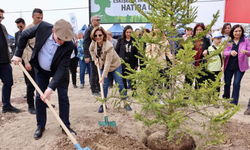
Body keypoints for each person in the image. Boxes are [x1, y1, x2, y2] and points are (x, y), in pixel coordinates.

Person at [12, 19, 77, 140]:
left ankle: (65, 126)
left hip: (59, 71)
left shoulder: (69, 45)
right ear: (53, 31)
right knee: (39, 97)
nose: (62, 42)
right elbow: (24, 35)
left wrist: (50, 88)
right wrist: (17, 53)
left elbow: (62, 68)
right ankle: (40, 126)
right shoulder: (42, 27)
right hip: (41, 69)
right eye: (59, 39)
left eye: (65, 40)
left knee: (63, 97)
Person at [89, 26, 132, 113]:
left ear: (103, 35)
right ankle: (103, 104)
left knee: (119, 84)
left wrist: (103, 76)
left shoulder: (109, 46)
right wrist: (95, 59)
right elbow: (91, 50)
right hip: (102, 65)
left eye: (100, 35)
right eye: (96, 35)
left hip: (115, 66)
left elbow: (108, 63)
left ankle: (125, 103)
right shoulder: (94, 42)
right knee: (104, 86)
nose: (98, 37)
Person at [20, 8, 44, 114]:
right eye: (38, 17)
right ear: (32, 17)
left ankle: (43, 102)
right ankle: (31, 105)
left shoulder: (44, 28)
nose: (40, 19)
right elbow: (23, 47)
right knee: (31, 84)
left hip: (42, 60)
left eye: (41, 18)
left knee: (43, 83)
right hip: (30, 60)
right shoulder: (27, 30)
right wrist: (26, 62)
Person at [222, 24, 250, 106]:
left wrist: (246, 52)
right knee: (227, 83)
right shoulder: (228, 40)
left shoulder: (245, 40)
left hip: (240, 66)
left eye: (239, 31)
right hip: (229, 66)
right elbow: (224, 52)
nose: (238, 33)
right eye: (236, 31)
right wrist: (230, 52)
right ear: (232, 32)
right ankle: (226, 98)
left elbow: (249, 52)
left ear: (242, 32)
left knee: (236, 83)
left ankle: (234, 102)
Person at [0, 8, 20, 113]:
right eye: (0, 17)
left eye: (2, 17)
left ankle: (6, 105)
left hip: (4, 61)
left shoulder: (3, 27)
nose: (1, 19)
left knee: (8, 82)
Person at [186, 23, 210, 89]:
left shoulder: (206, 40)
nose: (199, 31)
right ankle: (185, 98)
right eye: (197, 30)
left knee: (199, 85)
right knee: (188, 84)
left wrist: (207, 51)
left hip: (201, 65)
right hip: (191, 65)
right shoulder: (190, 39)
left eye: (200, 30)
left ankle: (196, 99)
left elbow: (210, 50)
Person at [116, 25, 138, 90]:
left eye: (130, 32)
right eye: (127, 32)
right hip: (122, 62)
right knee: (123, 78)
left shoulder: (134, 41)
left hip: (132, 62)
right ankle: (124, 91)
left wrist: (136, 64)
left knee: (132, 78)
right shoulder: (120, 40)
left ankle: (134, 91)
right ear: (124, 32)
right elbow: (116, 51)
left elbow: (136, 53)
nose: (128, 34)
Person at [83, 15, 101, 96]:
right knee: (94, 72)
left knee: (99, 72)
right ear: (92, 21)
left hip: (99, 54)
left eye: (99, 20)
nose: (99, 21)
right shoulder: (88, 30)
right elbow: (85, 44)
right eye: (97, 20)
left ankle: (98, 87)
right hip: (92, 54)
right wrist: (86, 55)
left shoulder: (98, 30)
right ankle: (94, 89)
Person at [207, 31, 225, 107]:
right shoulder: (209, 48)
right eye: (218, 38)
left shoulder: (222, 47)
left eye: (220, 38)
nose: (219, 40)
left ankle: (215, 100)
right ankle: (208, 99)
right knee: (209, 84)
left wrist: (223, 66)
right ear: (213, 39)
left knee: (217, 85)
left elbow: (223, 58)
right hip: (210, 68)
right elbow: (207, 58)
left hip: (218, 69)